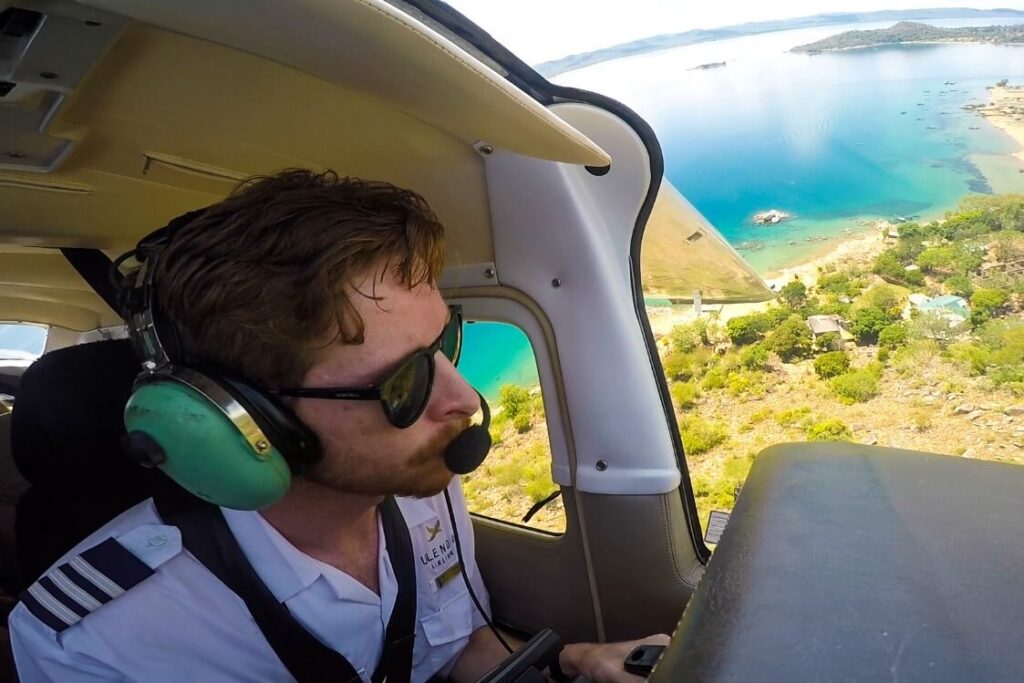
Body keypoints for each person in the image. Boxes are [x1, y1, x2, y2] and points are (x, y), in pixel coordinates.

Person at [7, 169, 668, 682]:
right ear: (247, 416)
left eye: (446, 341)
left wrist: (575, 662)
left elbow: (456, 646)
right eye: (400, 382)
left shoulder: (420, 487)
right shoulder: (92, 639)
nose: (463, 399)